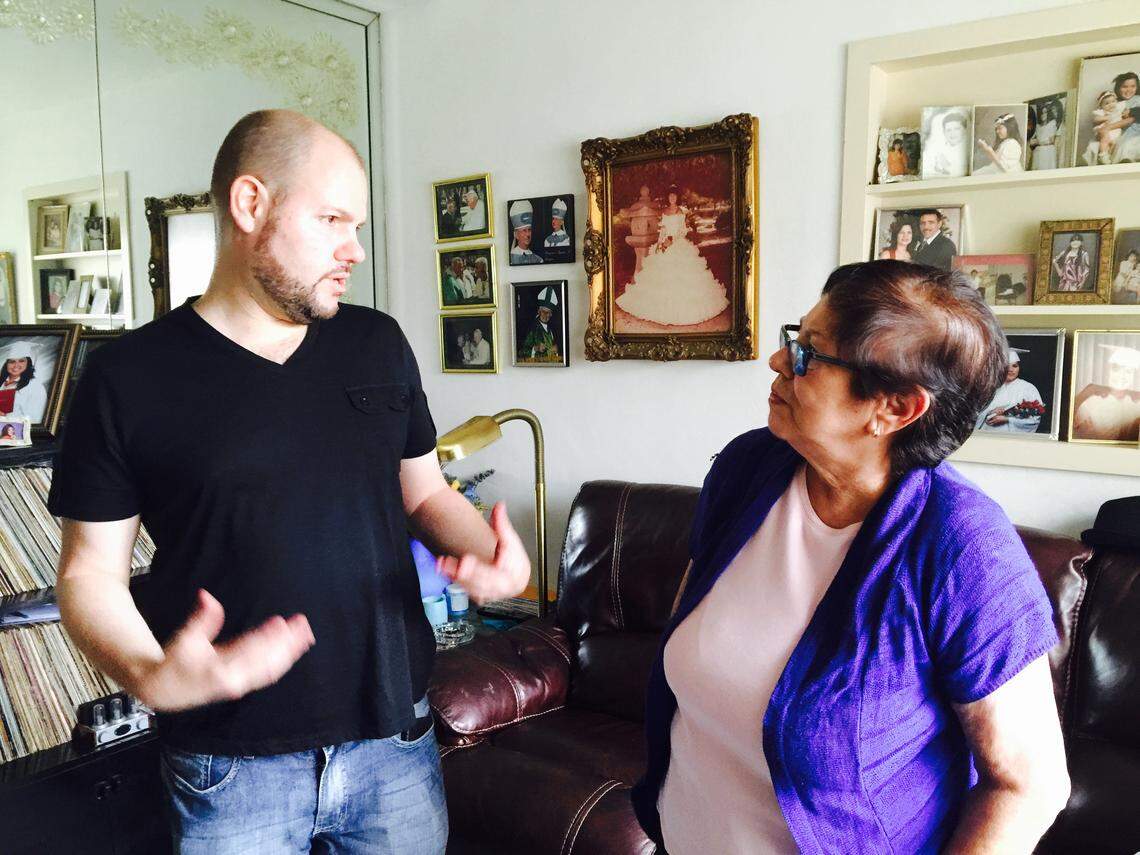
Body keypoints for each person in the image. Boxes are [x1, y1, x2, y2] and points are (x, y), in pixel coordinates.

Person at [49, 110, 531, 855]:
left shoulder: (377, 344)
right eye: (333, 218)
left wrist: (491, 554)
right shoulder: (126, 377)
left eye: (357, 223)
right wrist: (149, 673)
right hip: (228, 767)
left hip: (393, 745)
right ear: (250, 204)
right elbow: (88, 574)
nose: (356, 249)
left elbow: (426, 494)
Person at [633, 260, 1069, 854]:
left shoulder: (963, 547)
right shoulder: (750, 467)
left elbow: (1030, 786)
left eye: (811, 353)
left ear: (894, 409)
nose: (779, 361)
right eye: (796, 338)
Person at [615, 185, 729, 325]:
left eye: (674, 196)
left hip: (679, 244)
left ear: (677, 197)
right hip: (665, 244)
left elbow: (683, 230)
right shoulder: (664, 212)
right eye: (670, 196)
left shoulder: (681, 212)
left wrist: (672, 240)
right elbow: (662, 229)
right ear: (668, 197)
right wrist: (661, 243)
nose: (672, 198)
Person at [1073, 344, 1140, 441]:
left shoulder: (1136, 404)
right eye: (1116, 369)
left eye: (1129, 371)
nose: (1122, 376)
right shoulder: (1090, 402)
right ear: (1107, 370)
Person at [976, 348, 1044, 433]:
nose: (1010, 370)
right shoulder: (990, 387)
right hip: (986, 435)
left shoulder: (1028, 388)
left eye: (1014, 366)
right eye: (1006, 366)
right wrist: (990, 412)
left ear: (1019, 368)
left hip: (1010, 439)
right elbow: (974, 415)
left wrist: (1007, 419)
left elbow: (1035, 419)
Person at [0, 341, 49, 422]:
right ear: (6, 364)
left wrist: (5, 417)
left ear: (28, 363)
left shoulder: (36, 387)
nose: (16, 365)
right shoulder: (2, 383)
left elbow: (35, 420)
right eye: (12, 361)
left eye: (21, 361)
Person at [520, 286, 561, 362]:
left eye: (549, 313)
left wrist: (556, 349)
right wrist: (535, 348)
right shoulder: (531, 327)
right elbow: (521, 352)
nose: (547, 315)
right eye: (544, 312)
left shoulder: (552, 329)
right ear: (539, 311)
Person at [925, 110, 969, 178]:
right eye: (948, 130)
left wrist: (947, 166)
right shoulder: (939, 148)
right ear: (944, 132)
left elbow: (963, 173)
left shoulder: (966, 150)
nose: (952, 133)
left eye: (957, 129)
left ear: (964, 130)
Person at [1110, 71, 1140, 163]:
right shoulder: (1114, 103)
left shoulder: (1137, 99)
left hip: (1135, 131)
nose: (1129, 90)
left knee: (1126, 146)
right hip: (1120, 132)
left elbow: (1131, 119)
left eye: (1133, 86)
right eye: (1124, 87)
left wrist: (1131, 111)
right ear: (1118, 88)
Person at [508, 200, 543, 265]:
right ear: (516, 234)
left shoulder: (538, 259)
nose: (527, 234)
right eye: (524, 231)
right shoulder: (510, 257)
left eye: (529, 230)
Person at [1029, 101, 1060, 170]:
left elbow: (1051, 141)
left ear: (1048, 113)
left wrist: (1038, 142)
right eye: (1041, 113)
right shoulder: (1038, 126)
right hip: (1038, 153)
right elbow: (1031, 141)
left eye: (1045, 112)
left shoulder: (1052, 123)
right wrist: (1033, 142)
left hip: (1047, 152)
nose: (1043, 115)